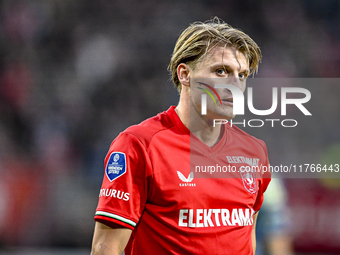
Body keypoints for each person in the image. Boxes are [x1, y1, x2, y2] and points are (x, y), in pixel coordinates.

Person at [91, 17, 271, 255]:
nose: (235, 84)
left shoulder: (254, 152)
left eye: (242, 75)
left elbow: (247, 241)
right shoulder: (138, 145)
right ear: (185, 74)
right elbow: (106, 248)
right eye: (221, 71)